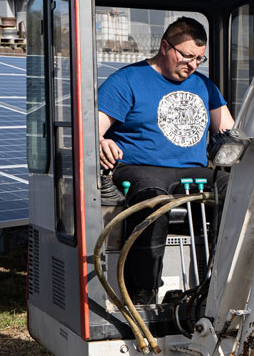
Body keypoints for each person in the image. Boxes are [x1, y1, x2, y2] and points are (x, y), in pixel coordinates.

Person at [98, 16, 233, 305]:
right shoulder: (126, 82)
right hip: (139, 169)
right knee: (154, 202)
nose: (193, 64)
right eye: (186, 56)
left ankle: (225, 284)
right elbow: (92, 132)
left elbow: (229, 132)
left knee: (241, 188)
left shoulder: (205, 87)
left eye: (199, 58)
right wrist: (102, 141)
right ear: (164, 47)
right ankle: (143, 294)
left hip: (193, 171)